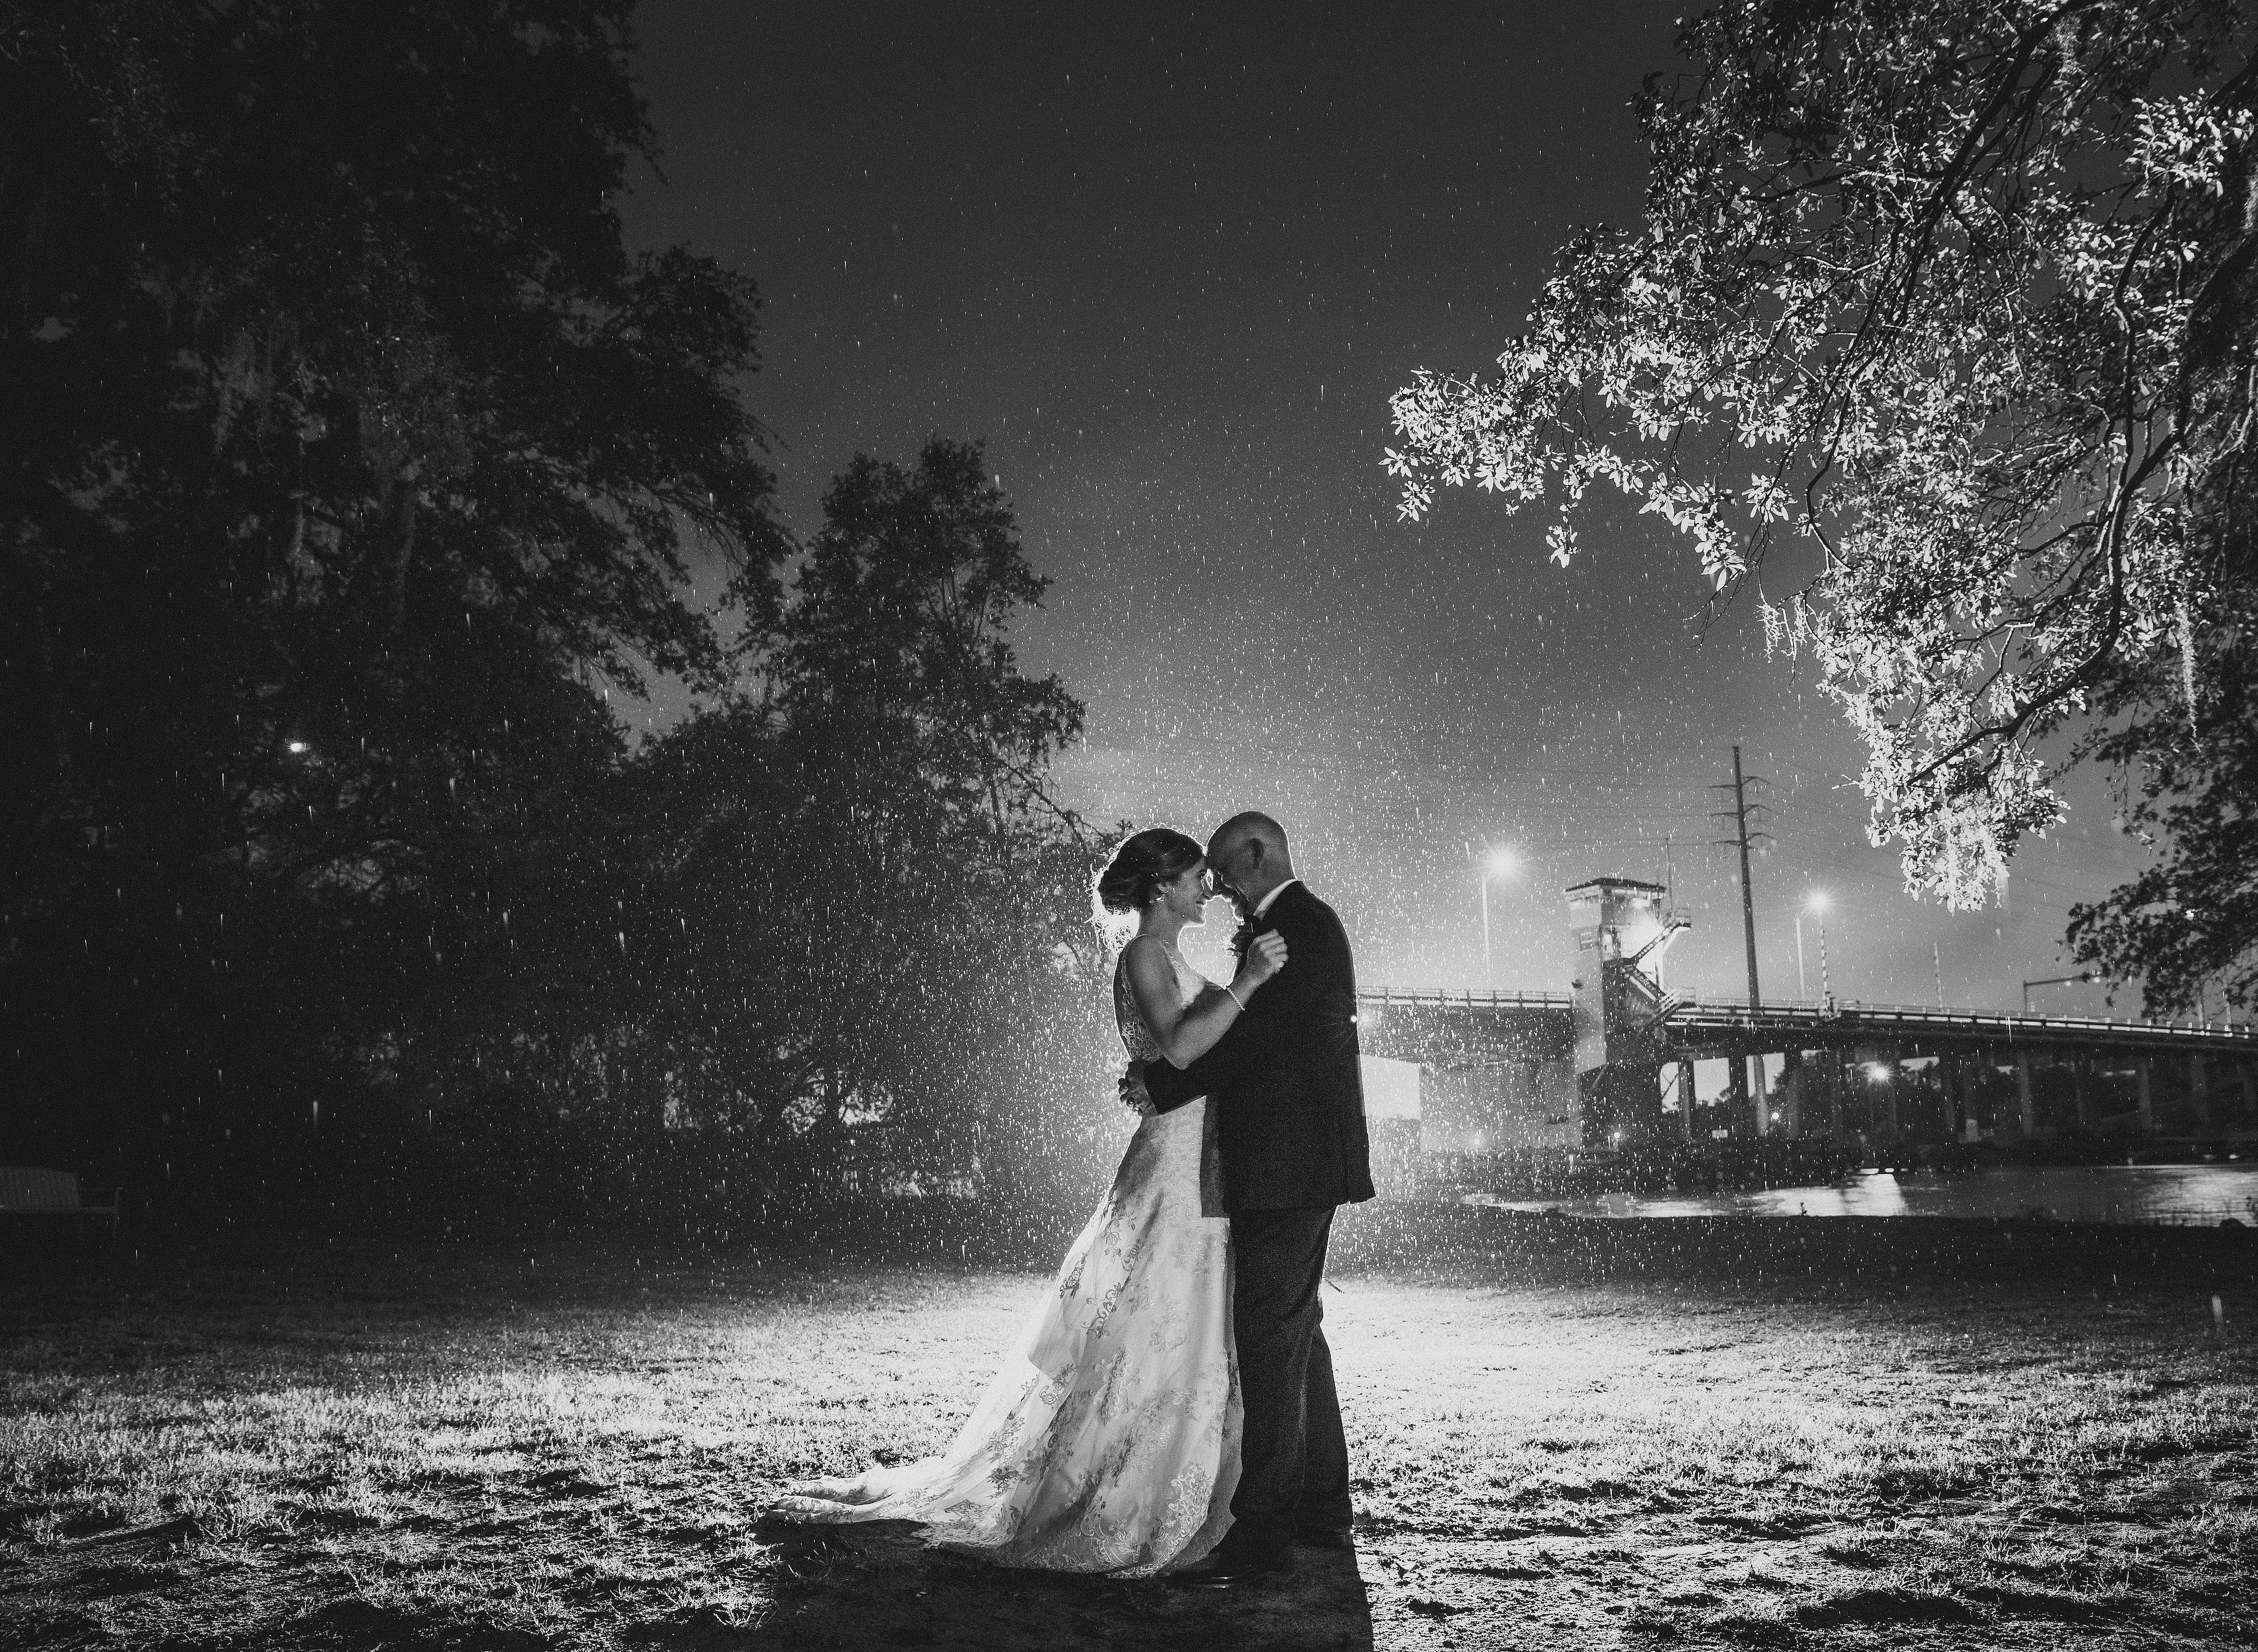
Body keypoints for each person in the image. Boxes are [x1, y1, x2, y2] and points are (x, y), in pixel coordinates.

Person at [768, 827, 1288, 1576]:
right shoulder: (1145, 954)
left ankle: (1195, 1478)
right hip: (1173, 1165)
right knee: (1160, 1314)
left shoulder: (1169, 956)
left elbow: (1200, 1055)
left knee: (1189, 1318)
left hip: (1196, 1158)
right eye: (1198, 876)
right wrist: (1245, 986)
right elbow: (1178, 1048)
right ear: (1161, 887)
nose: (1209, 886)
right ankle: (1123, 1485)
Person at [1124, 810, 1373, 1587]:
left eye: (1227, 870)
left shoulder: (1300, 925)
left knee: (1268, 1337)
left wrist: (1161, 1083)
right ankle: (1321, 1508)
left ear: (1258, 855)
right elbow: (1247, 1034)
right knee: (1298, 1336)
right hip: (1289, 1163)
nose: (1221, 887)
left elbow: (1255, 1043)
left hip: (1289, 1165)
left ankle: (1264, 1532)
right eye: (1209, 877)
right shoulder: (1289, 924)